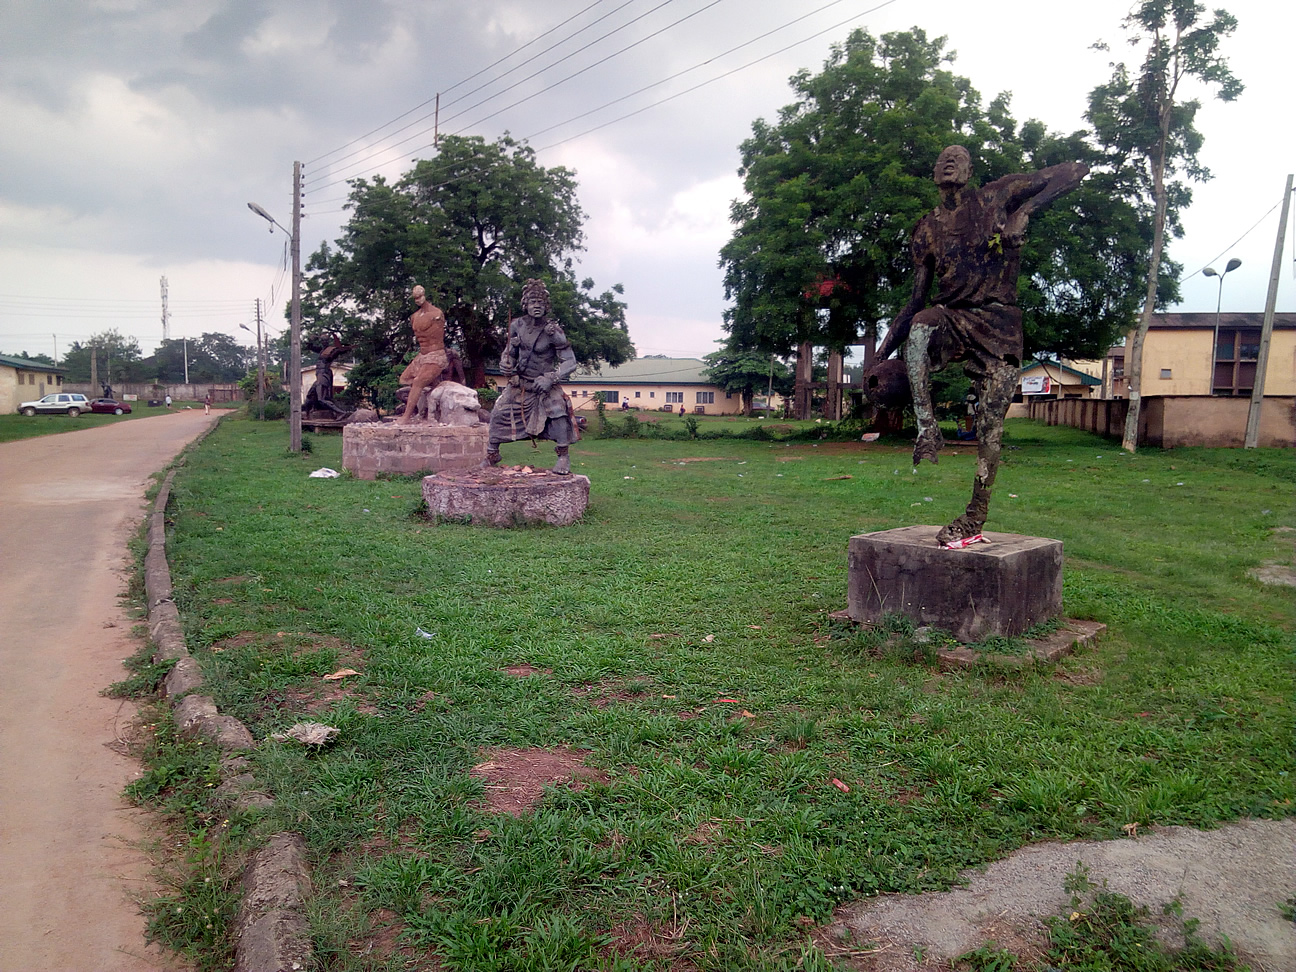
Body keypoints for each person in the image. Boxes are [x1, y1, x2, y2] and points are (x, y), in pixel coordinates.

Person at [875, 144, 1087, 544]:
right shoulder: (926, 229)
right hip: (953, 318)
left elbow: (1074, 170)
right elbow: (915, 301)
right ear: (934, 174)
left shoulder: (995, 197)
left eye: (957, 159)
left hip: (999, 323)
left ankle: (975, 514)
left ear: (969, 172)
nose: (948, 162)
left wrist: (1023, 212)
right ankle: (927, 428)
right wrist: (880, 355)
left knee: (991, 424)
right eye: (942, 159)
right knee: (920, 327)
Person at [484, 279, 579, 474]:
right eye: (533, 302)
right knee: (498, 412)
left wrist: (551, 378)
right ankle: (492, 454)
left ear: (546, 306)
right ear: (525, 304)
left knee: (558, 412)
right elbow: (509, 352)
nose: (537, 306)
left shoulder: (553, 331)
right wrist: (506, 364)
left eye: (541, 303)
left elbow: (570, 362)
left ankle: (563, 456)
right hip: (521, 384)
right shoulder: (517, 325)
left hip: (545, 385)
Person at [397, 285, 449, 425]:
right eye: (415, 298)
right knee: (404, 379)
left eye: (419, 297)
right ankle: (433, 386)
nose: (417, 300)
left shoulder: (436, 314)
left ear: (425, 295)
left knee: (418, 382)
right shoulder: (414, 317)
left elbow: (439, 333)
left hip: (435, 355)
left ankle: (406, 417)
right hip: (422, 355)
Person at [304, 334, 353, 418]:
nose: (323, 342)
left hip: (324, 376)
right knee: (310, 395)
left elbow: (341, 350)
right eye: (322, 341)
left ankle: (341, 412)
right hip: (319, 376)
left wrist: (345, 346)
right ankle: (307, 415)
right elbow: (310, 347)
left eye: (325, 340)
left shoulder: (332, 350)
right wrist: (311, 339)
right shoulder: (321, 350)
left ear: (328, 341)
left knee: (321, 399)